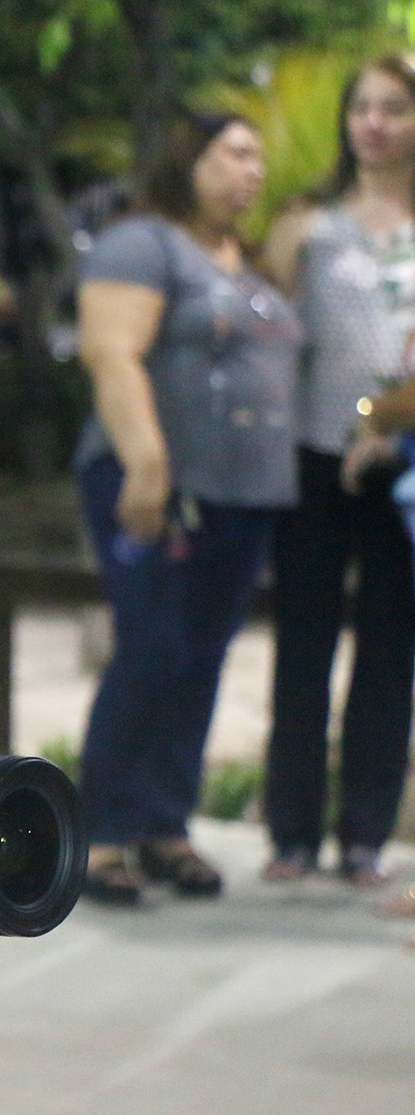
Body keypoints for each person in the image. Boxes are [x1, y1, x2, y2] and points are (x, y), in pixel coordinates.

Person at [73, 112, 301, 906]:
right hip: (158, 488)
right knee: (151, 649)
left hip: (244, 498)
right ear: (188, 158)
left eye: (258, 156)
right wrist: (147, 461)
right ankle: (101, 834)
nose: (253, 169)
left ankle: (165, 827)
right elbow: (112, 351)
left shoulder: (252, 260)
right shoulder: (143, 243)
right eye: (235, 152)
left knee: (201, 659)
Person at [257, 54, 415, 888]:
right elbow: (263, 336)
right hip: (314, 461)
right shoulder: (309, 223)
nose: (376, 123)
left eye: (395, 107)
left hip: (404, 465)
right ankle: (290, 833)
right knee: (304, 647)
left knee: (391, 651)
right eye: (363, 108)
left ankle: (365, 837)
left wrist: (388, 427)